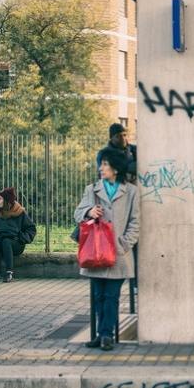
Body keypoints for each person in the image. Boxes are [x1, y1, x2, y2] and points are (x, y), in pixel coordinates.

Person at [74, 147, 139, 351]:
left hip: (118, 254)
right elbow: (77, 213)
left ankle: (106, 335)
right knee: (98, 296)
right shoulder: (91, 189)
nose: (101, 168)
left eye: (105, 164)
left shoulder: (131, 192)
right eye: (100, 164)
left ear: (116, 168)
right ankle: (102, 334)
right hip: (96, 251)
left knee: (111, 296)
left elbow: (136, 222)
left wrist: (124, 244)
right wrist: (88, 211)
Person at [0, 187, 37, 283]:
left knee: (6, 242)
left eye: (0, 199)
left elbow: (31, 229)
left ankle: (9, 272)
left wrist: (21, 237)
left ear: (7, 201)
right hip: (1, 240)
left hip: (17, 243)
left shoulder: (20, 212)